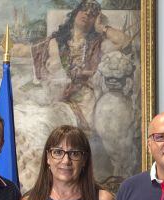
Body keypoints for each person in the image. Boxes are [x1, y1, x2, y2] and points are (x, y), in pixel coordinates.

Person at [32, 0, 131, 128]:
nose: (87, 14)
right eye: (84, 10)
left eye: (92, 14)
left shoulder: (98, 44)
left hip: (83, 100)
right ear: (75, 13)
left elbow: (125, 42)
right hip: (55, 96)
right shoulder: (55, 42)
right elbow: (25, 50)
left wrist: (102, 28)